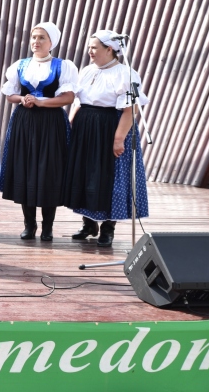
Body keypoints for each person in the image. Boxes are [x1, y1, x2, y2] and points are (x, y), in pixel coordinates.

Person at [63, 30, 149, 246]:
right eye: (90, 47)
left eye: (94, 47)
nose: (89, 51)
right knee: (86, 175)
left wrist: (119, 139)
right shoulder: (87, 71)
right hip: (86, 127)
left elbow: (131, 109)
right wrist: (71, 123)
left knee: (110, 177)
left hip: (110, 126)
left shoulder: (125, 73)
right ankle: (89, 223)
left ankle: (108, 228)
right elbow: (78, 101)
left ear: (109, 49)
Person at [0, 22, 78, 241]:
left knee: (48, 172)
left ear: (52, 42)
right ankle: (29, 224)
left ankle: (48, 227)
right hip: (25, 122)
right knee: (26, 169)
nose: (36, 42)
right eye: (34, 37)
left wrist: (41, 102)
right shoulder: (20, 65)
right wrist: (22, 99)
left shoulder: (63, 66)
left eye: (41, 37)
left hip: (51, 123)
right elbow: (10, 94)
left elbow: (68, 97)